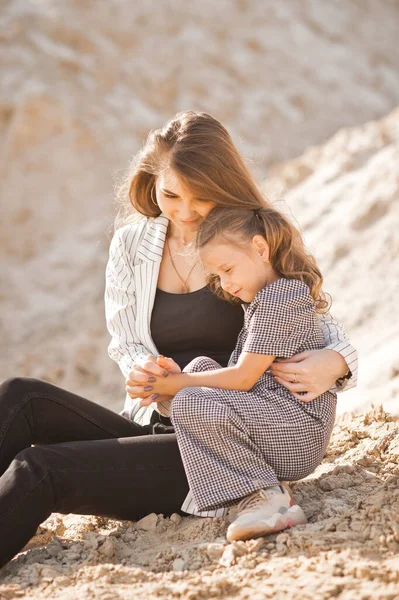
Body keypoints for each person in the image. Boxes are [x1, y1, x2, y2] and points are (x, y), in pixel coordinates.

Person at [0, 111, 357, 568]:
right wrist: (146, 372)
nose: (185, 212)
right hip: (159, 419)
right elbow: (126, 341)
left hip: (217, 444)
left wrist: (336, 362)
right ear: (151, 183)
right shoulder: (131, 245)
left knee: (39, 468)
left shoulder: (246, 241)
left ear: (223, 187)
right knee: (20, 396)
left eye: (201, 198)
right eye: (171, 194)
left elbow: (319, 323)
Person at [133, 204, 338, 541]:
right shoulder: (262, 300)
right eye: (217, 277)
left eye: (228, 269)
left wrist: (177, 384)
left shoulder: (281, 298)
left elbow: (243, 378)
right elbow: (240, 383)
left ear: (260, 248)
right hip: (275, 418)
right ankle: (250, 488)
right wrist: (178, 381)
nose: (226, 285)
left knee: (188, 397)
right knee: (198, 368)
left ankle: (271, 500)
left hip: (300, 432)